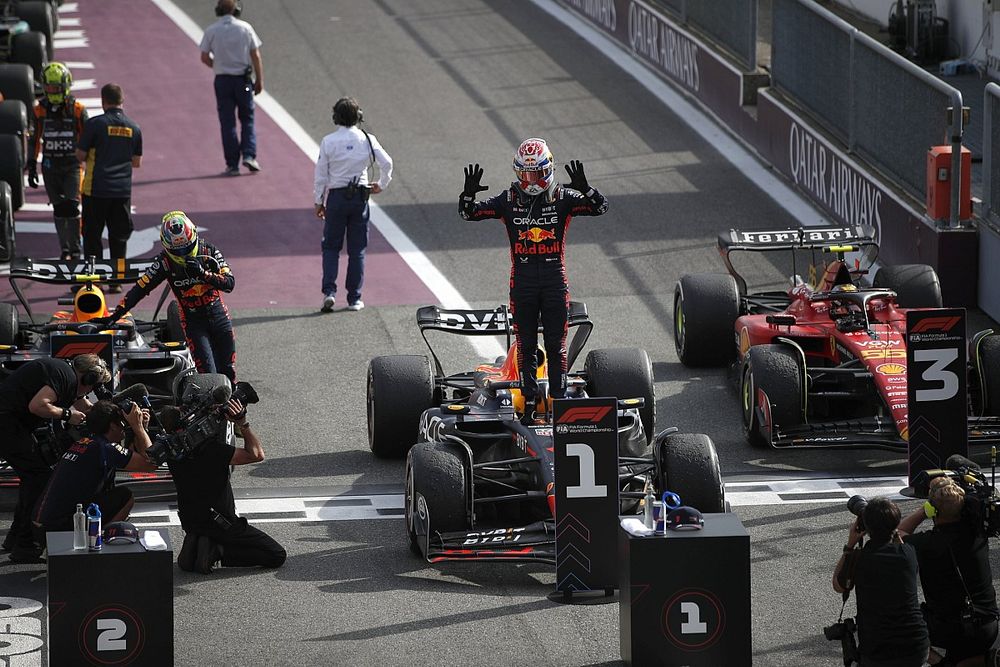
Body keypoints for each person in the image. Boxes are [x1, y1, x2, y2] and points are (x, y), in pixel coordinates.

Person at [459, 138, 608, 424]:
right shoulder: (507, 200)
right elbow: (469, 213)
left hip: (554, 281)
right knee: (525, 344)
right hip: (523, 283)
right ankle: (527, 403)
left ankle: (560, 402)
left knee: (555, 344)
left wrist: (586, 189)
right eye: (525, 175)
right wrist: (467, 195)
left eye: (536, 174)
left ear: (549, 170)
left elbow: (600, 207)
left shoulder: (564, 197)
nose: (531, 181)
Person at [97, 211, 237, 383]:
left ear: (193, 236)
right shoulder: (164, 262)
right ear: (166, 245)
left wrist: (203, 274)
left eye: (186, 248)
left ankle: (233, 409)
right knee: (207, 373)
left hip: (219, 316)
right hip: (194, 322)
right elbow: (140, 288)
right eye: (177, 250)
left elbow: (229, 283)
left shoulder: (209, 251)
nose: (183, 254)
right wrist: (115, 315)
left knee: (228, 371)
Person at [0, 354, 111, 561]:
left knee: (32, 479)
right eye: (91, 386)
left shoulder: (65, 373)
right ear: (87, 378)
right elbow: (38, 406)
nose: (89, 391)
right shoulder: (64, 376)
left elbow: (83, 404)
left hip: (11, 423)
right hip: (7, 423)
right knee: (39, 480)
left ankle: (15, 538)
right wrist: (67, 415)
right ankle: (25, 546)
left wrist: (107, 413)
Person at [167, 397, 285, 574]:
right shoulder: (212, 450)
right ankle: (217, 552)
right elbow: (256, 454)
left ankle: (197, 543)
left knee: (204, 524)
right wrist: (242, 423)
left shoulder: (170, 450)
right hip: (222, 523)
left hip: (191, 520)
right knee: (276, 555)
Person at [900, 477, 1000, 666]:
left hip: (951, 630)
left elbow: (898, 533)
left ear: (933, 510)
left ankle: (942, 664)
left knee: (901, 623)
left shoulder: (926, 544)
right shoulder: (978, 533)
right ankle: (982, 660)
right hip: (988, 626)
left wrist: (923, 511)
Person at [32, 400, 158, 541]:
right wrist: (138, 427)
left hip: (42, 523)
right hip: (59, 527)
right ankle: (100, 542)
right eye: (122, 423)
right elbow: (150, 463)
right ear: (112, 427)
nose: (125, 427)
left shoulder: (86, 442)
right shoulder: (106, 448)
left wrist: (142, 427)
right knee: (125, 496)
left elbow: (135, 456)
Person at [314, 97, 393, 313]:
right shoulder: (367, 139)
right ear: (358, 117)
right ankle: (354, 298)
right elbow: (387, 163)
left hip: (337, 198)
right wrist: (381, 185)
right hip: (360, 196)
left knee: (331, 247)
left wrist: (319, 201)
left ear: (335, 118)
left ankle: (329, 292)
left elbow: (320, 174)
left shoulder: (328, 141)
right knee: (357, 250)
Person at [832, 497, 929, 667]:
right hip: (916, 646)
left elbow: (839, 586)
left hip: (877, 650)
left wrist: (850, 544)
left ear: (865, 526)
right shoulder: (908, 553)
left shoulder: (859, 558)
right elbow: (899, 538)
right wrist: (893, 530)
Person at [75, 82, 142, 288]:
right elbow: (136, 162)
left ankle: (94, 280)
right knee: (119, 236)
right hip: (122, 191)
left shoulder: (95, 124)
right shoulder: (134, 127)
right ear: (122, 101)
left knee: (92, 235)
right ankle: (117, 281)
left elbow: (80, 155)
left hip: (95, 189)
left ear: (103, 101)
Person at [27, 62, 88, 261]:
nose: (53, 91)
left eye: (57, 88)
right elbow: (34, 138)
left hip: (72, 165)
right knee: (59, 208)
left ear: (66, 86)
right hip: (50, 166)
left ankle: (76, 250)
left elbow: (87, 139)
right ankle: (65, 250)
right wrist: (32, 165)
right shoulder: (39, 111)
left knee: (72, 206)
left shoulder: (77, 109)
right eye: (49, 88)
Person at [200, 0, 263, 176]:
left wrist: (218, 66)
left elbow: (204, 57)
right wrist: (259, 80)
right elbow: (255, 55)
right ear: (237, 9)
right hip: (243, 80)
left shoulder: (212, 30)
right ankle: (249, 155)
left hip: (222, 81)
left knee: (227, 123)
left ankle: (232, 164)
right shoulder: (245, 28)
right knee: (247, 119)